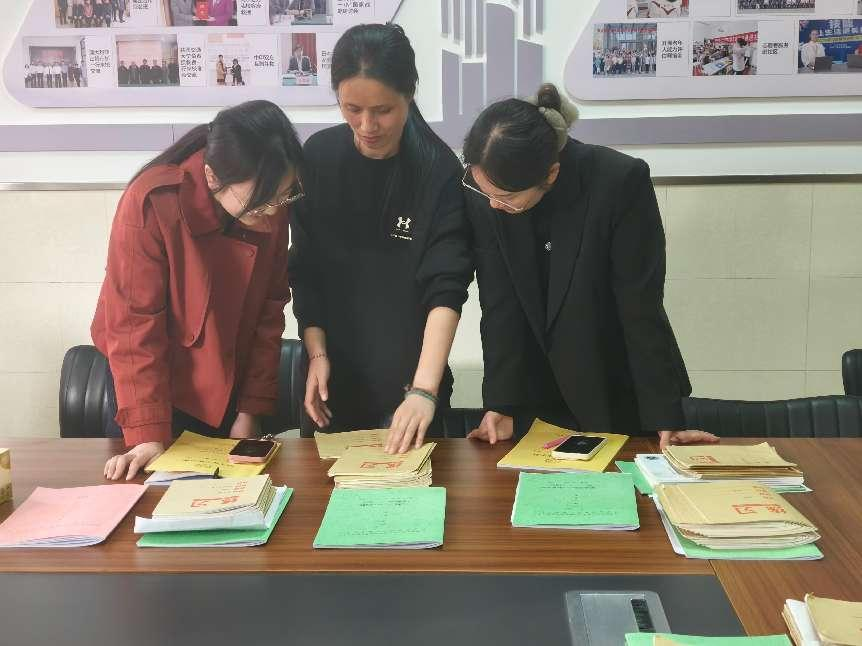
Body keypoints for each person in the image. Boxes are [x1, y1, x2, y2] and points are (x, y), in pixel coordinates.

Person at [461, 83, 717, 451]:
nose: (493, 205)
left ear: (550, 174)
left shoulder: (618, 182)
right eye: (485, 191)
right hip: (535, 400)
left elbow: (639, 305)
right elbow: (499, 304)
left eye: (507, 198)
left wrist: (664, 416)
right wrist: (501, 403)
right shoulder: (489, 192)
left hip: (611, 386)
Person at [95, 100, 305, 481]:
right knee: (152, 500)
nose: (274, 211)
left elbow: (269, 310)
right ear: (212, 176)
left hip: (228, 384)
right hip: (150, 389)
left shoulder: (269, 203)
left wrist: (250, 408)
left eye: (284, 195)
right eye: (262, 201)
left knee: (229, 503)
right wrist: (146, 433)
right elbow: (133, 326)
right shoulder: (154, 201)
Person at [289, 23, 471, 454]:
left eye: (383, 110)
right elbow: (306, 270)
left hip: (412, 388)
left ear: (409, 94)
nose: (367, 125)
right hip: (330, 380)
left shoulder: (438, 170)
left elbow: (446, 288)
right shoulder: (318, 158)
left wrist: (424, 390)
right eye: (352, 108)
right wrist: (316, 355)